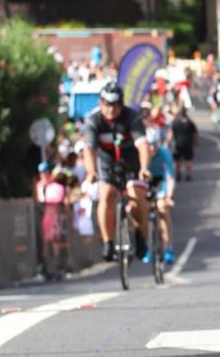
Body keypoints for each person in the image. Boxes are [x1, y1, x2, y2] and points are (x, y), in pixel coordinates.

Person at [82, 82, 153, 263]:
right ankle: (108, 242)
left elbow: (143, 145)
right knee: (106, 194)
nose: (111, 109)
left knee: (136, 195)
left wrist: (144, 167)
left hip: (131, 161)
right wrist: (91, 172)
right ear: (101, 103)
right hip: (107, 163)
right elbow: (89, 150)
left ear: (121, 104)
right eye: (107, 104)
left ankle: (140, 235)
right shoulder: (93, 121)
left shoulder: (132, 117)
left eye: (115, 105)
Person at [145, 123, 177, 266]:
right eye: (149, 146)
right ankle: (147, 245)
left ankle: (168, 246)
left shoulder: (165, 153)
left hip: (160, 182)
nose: (151, 149)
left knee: (163, 209)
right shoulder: (141, 154)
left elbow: (170, 177)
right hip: (146, 182)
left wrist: (168, 196)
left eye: (154, 145)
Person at [170, 105, 198, 181]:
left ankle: (178, 174)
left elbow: (171, 133)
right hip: (188, 144)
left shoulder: (175, 122)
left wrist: (169, 143)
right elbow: (195, 133)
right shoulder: (189, 122)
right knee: (188, 160)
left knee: (177, 160)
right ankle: (188, 175)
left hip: (177, 144)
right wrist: (195, 142)